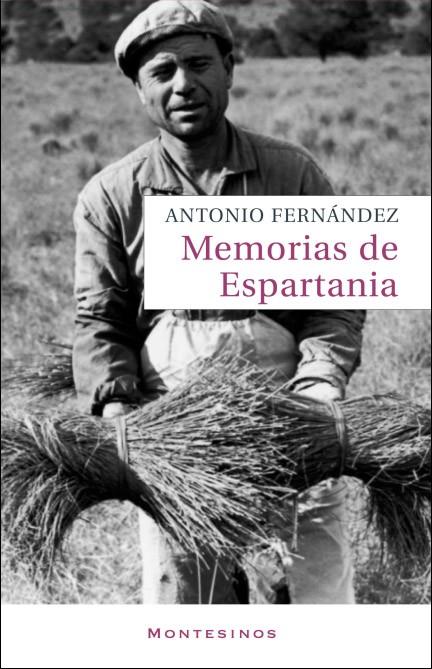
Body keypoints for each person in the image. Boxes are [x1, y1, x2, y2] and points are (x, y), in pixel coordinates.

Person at [72, 0, 365, 604]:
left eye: (200, 64)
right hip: (174, 421)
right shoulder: (112, 195)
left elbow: (334, 301)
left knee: (314, 586)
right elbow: (100, 318)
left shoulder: (291, 174)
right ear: (140, 90)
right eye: (162, 72)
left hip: (290, 412)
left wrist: (320, 380)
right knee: (192, 596)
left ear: (229, 69)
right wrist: (118, 406)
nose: (184, 84)